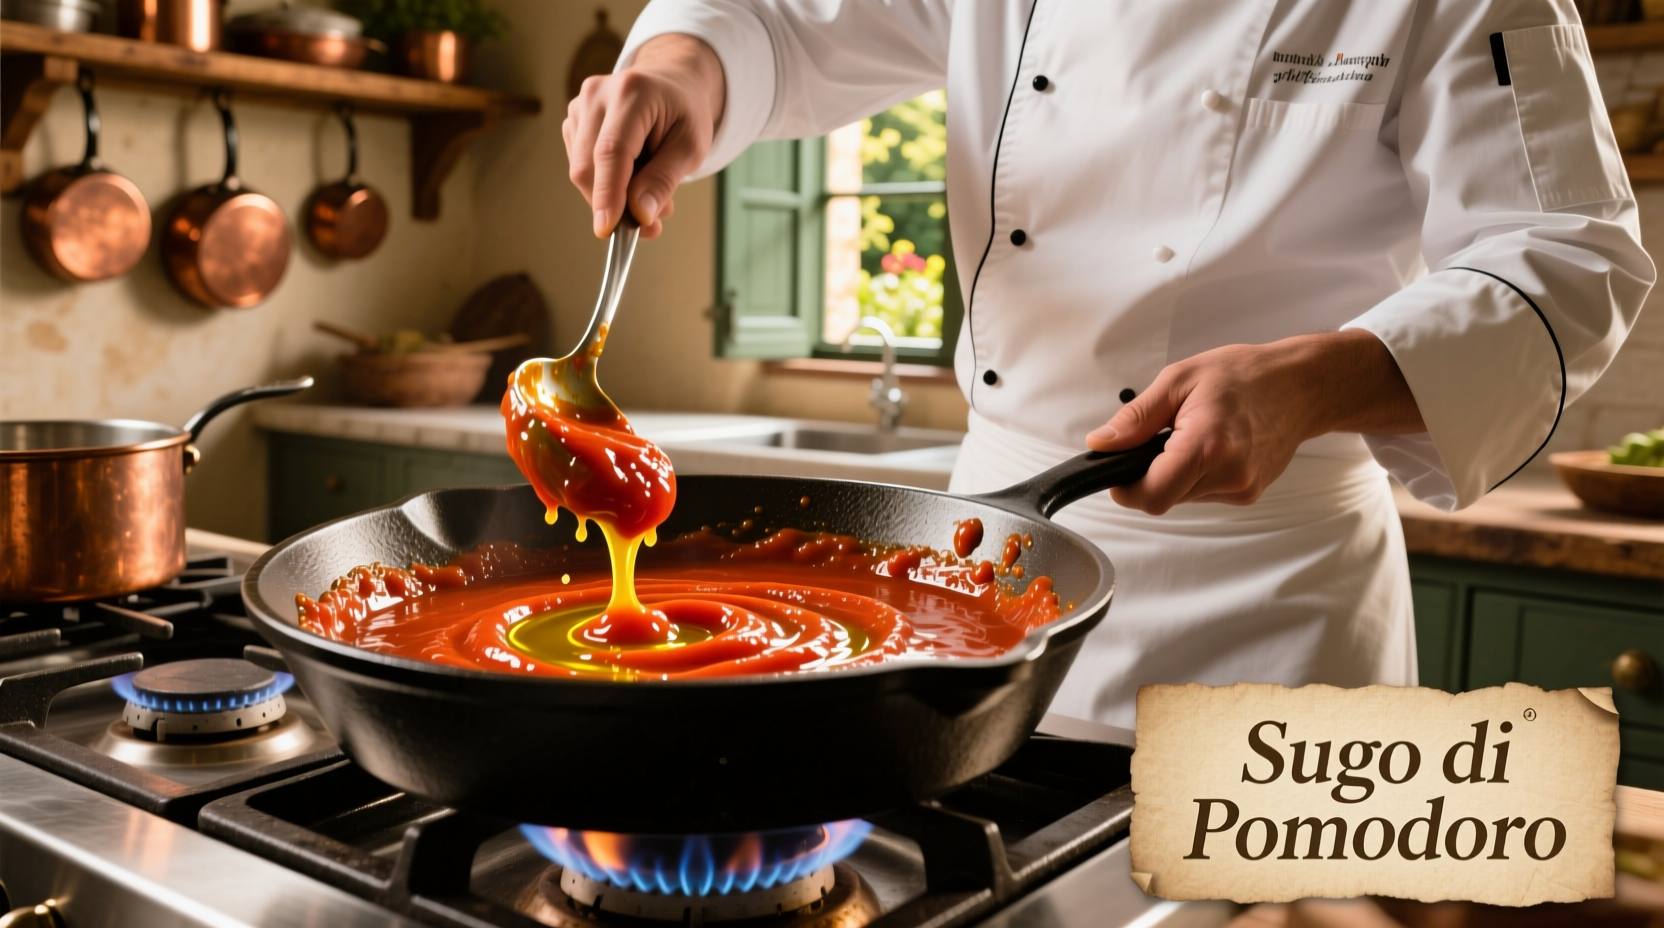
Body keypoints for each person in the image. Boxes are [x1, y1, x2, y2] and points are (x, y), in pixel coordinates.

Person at [562, 1, 1653, 727]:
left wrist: (1314, 381)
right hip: (984, 566)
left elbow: (1570, 258)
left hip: (1270, 600)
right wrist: (681, 74)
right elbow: (781, 21)